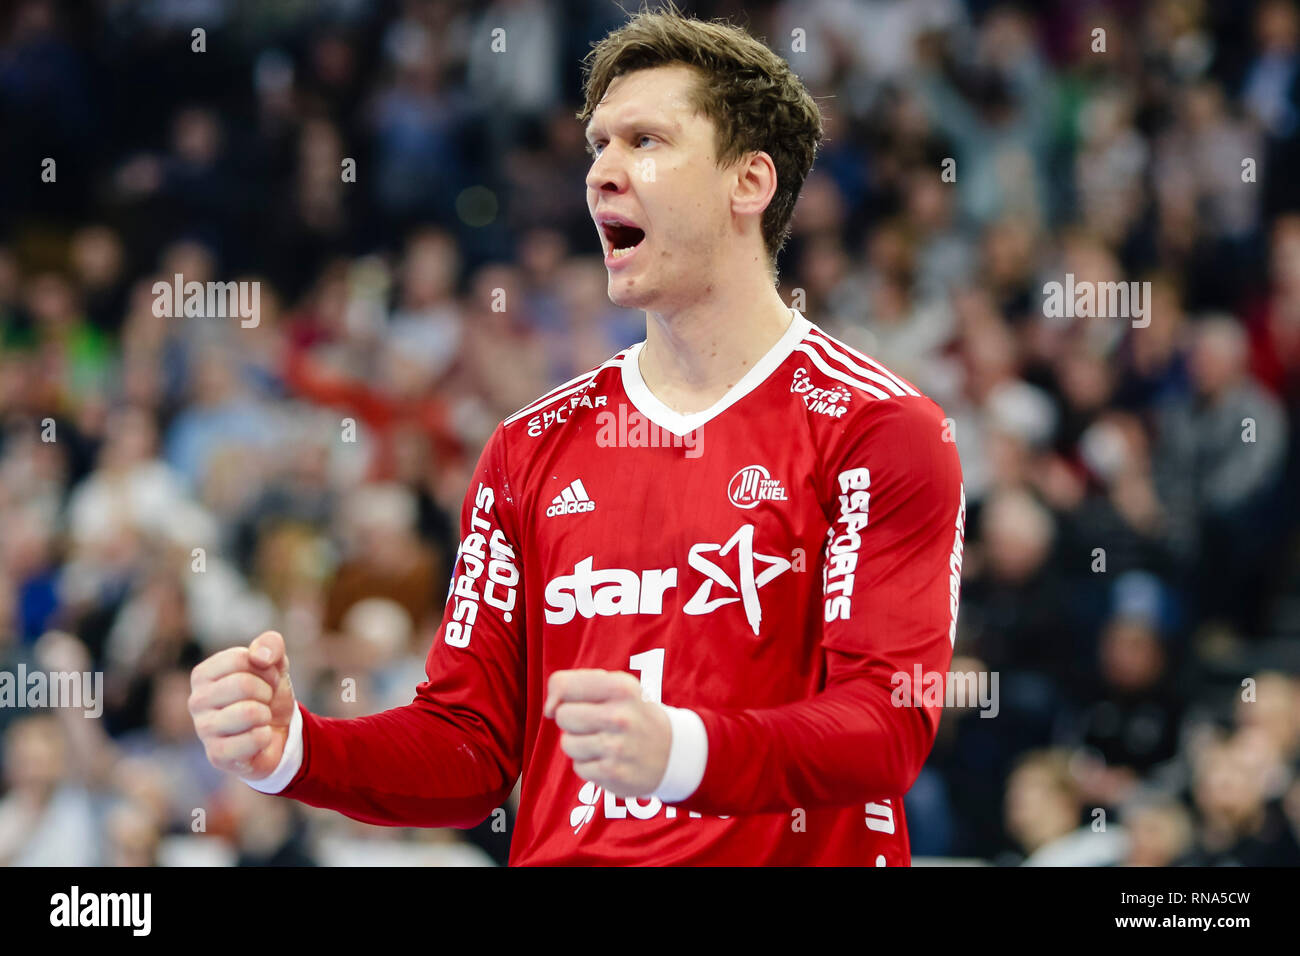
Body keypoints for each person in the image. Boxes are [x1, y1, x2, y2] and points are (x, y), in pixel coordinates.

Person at [188, 3, 965, 865]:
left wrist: (683, 754)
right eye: (598, 145)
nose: (601, 172)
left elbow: (885, 723)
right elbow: (470, 745)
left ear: (750, 182)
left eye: (646, 142)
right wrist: (297, 749)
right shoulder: (529, 448)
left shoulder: (880, 427)